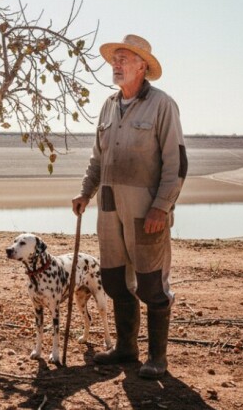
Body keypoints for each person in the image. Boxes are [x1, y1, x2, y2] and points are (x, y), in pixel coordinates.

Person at [72, 34, 187, 379]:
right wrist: (85, 192)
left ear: (142, 66)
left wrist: (161, 207)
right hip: (108, 209)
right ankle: (125, 348)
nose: (116, 65)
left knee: (152, 284)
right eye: (115, 59)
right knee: (114, 280)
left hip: (146, 211)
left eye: (124, 59)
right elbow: (97, 158)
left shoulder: (162, 105)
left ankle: (157, 359)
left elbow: (177, 163)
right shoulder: (108, 105)